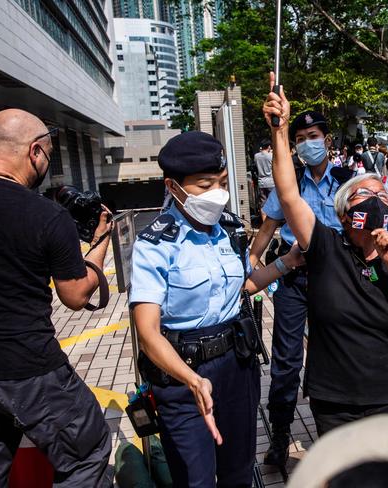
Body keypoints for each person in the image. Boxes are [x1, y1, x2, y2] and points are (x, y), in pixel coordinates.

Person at [130, 131, 303, 488]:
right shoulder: (155, 244)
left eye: (221, 183)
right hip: (182, 375)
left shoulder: (229, 230)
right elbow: (147, 333)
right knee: (195, 480)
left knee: (239, 471)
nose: (217, 193)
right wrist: (191, 380)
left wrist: (288, 261)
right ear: (173, 187)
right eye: (205, 184)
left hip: (236, 367)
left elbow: (244, 285)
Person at [263, 74, 388, 436]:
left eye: (381, 198)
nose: (373, 202)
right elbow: (289, 196)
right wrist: (280, 129)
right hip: (334, 401)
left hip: (387, 398)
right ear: (342, 214)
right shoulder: (326, 249)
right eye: (362, 198)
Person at [0, 109, 112, 486]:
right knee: (87, 450)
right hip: (29, 369)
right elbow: (76, 295)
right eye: (48, 153)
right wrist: (101, 241)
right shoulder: (44, 215)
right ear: (34, 153)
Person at [249, 110, 345, 467]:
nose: (307, 145)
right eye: (300, 139)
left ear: (328, 140)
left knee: (334, 355)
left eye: (313, 137)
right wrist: (253, 264)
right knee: (286, 362)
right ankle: (280, 433)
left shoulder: (347, 181)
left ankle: (333, 432)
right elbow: (268, 227)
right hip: (294, 280)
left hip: (335, 281)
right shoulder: (290, 186)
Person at [254, 139, 274, 220]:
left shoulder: (256, 156)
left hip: (261, 182)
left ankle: (264, 222)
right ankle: (272, 223)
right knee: (273, 203)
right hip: (271, 182)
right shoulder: (271, 156)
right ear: (269, 146)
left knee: (263, 203)